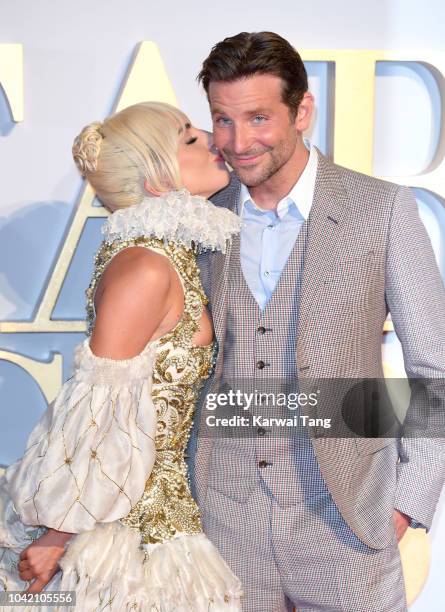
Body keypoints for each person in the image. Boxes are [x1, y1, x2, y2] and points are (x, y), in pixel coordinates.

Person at [188, 31, 445, 612]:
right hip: (227, 522)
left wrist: (406, 501)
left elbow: (434, 365)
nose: (238, 142)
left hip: (345, 518)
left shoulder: (380, 209)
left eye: (257, 118)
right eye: (222, 121)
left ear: (302, 110)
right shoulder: (202, 217)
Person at [0, 101, 243, 610]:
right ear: (157, 179)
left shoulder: (169, 254)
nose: (212, 138)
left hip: (169, 529)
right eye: (190, 138)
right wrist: (58, 537)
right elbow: (94, 421)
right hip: (130, 551)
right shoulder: (146, 268)